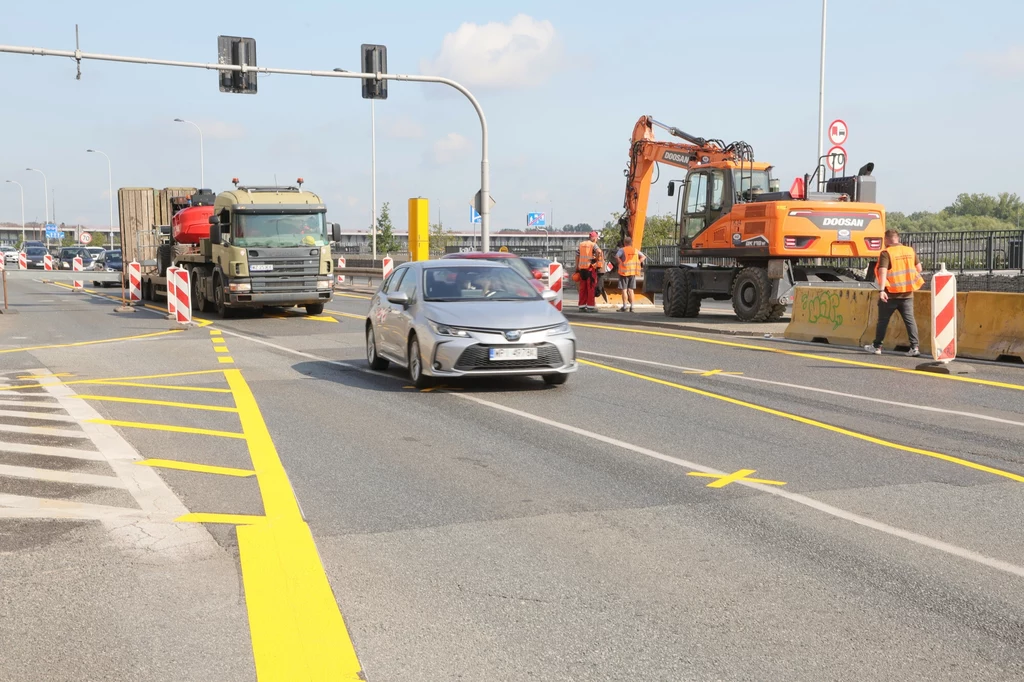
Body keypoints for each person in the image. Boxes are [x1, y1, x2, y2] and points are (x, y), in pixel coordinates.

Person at [864, 228, 924, 356]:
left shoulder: (887, 252)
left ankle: (877, 346)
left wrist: (881, 290)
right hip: (907, 293)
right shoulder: (910, 250)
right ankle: (915, 348)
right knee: (910, 321)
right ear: (898, 238)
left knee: (883, 321)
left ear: (886, 239)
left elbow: (882, 271)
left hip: (890, 293)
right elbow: (919, 268)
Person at [615, 236, 646, 312]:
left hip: (624, 272)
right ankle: (632, 306)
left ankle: (625, 306)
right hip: (632, 272)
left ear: (624, 243)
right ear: (631, 243)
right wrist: (638, 262)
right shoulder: (635, 250)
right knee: (631, 290)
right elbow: (643, 256)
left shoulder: (622, 250)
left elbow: (616, 256)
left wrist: (620, 262)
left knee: (624, 290)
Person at [575, 231, 601, 311]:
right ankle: (590, 307)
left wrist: (577, 267)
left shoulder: (581, 244)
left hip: (582, 269)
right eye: (596, 238)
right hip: (590, 268)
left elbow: (577, 256)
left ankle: (581, 306)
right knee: (590, 288)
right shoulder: (593, 245)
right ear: (594, 238)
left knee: (583, 288)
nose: (597, 240)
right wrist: (596, 259)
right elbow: (599, 252)